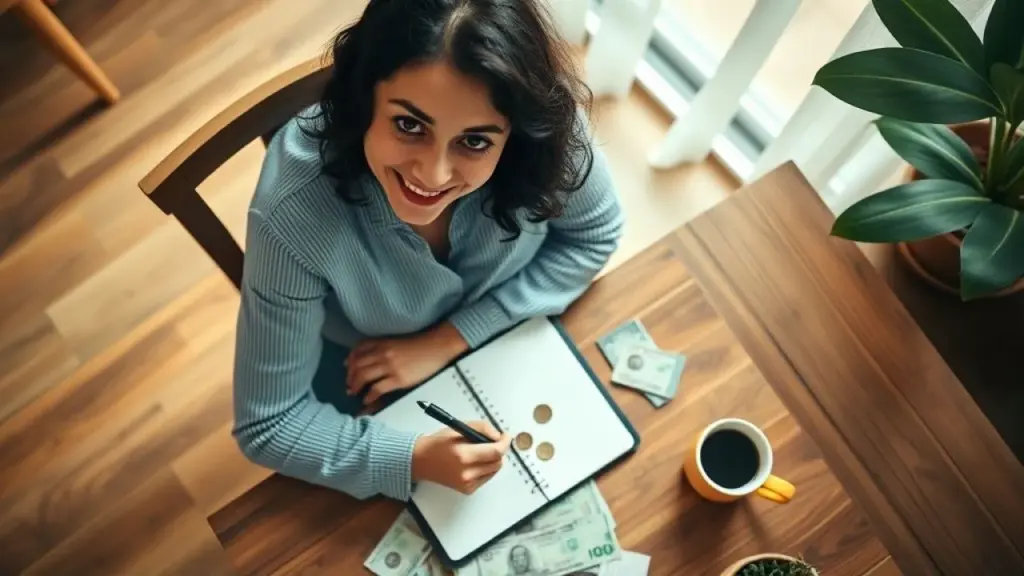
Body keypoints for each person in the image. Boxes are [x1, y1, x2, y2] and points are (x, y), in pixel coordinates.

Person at [231, 0, 624, 503]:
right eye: (410, 126)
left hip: (510, 346)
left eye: (475, 142)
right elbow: (270, 423)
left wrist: (449, 340)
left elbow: (595, 234)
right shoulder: (292, 209)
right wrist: (411, 458)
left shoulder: (546, 124)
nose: (432, 176)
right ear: (363, 97)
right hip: (363, 360)